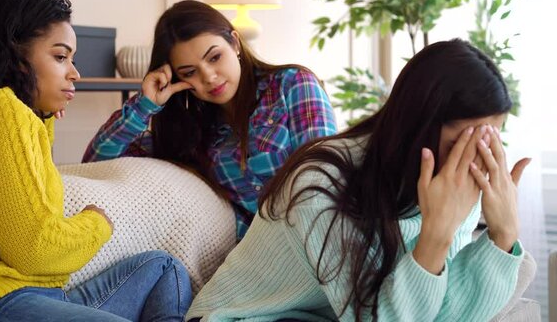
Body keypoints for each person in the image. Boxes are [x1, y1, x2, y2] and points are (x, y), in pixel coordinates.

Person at [186, 39, 530, 321]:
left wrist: (502, 237)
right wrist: (436, 236)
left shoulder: (458, 183)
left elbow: (445, 316)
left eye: (488, 143)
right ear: (417, 127)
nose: (476, 161)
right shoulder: (320, 183)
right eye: (462, 144)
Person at [0, 0, 191, 322]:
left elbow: (28, 200)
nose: (74, 72)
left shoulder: (9, 115)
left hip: (32, 294)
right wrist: (97, 223)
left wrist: (42, 118)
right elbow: (35, 251)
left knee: (163, 268)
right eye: (60, 57)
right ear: (15, 57)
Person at [83, 0, 337, 240]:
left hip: (318, 236)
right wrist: (145, 104)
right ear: (176, 78)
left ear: (235, 43)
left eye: (215, 57)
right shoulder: (190, 133)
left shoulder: (292, 84)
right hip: (256, 258)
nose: (209, 77)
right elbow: (96, 162)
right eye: (190, 72)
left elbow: (323, 177)